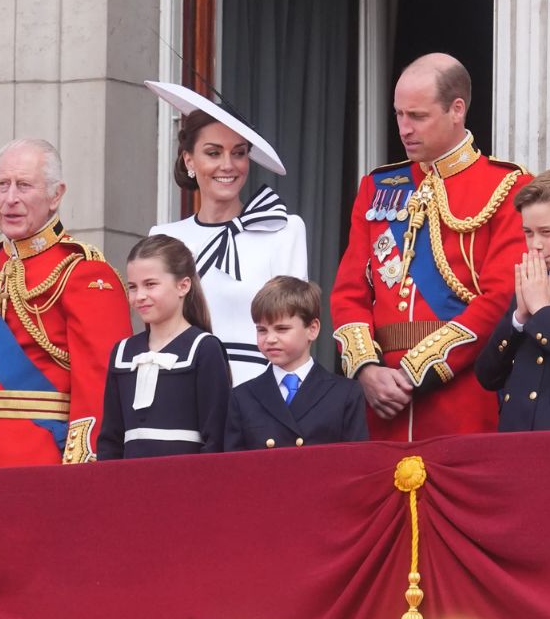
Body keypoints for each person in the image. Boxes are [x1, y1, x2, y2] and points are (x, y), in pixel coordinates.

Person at [330, 53, 533, 441]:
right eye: (399, 115)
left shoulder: (508, 187)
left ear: (457, 109)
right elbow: (349, 292)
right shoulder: (378, 188)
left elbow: (500, 297)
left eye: (418, 116)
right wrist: (367, 370)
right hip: (380, 404)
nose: (404, 128)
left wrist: (415, 371)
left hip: (466, 399)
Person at [146, 81, 308, 387]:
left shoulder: (283, 230)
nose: (228, 165)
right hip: (180, 389)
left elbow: (293, 333)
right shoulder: (163, 239)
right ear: (189, 160)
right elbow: (156, 330)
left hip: (258, 395)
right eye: (213, 152)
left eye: (238, 153)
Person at [0, 138, 132, 467]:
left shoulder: (82, 271)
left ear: (56, 195)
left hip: (39, 460)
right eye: (2, 185)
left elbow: (100, 384)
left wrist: (83, 469)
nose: (10, 199)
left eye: (24, 186)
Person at [96, 235, 229, 459]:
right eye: (133, 287)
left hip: (186, 485)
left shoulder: (204, 348)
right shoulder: (123, 352)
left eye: (150, 285)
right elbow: (111, 439)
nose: (140, 296)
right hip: (130, 486)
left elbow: (217, 438)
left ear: (183, 285)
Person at [476, 169, 550, 430]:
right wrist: (518, 320)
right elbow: (488, 376)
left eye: (546, 232)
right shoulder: (536, 279)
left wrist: (543, 311)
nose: (535, 244)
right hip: (516, 440)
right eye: (528, 232)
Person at [225, 276, 369, 451]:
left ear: (312, 329)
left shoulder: (345, 394)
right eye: (261, 330)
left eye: (282, 329)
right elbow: (234, 469)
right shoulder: (242, 398)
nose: (270, 339)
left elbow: (354, 463)